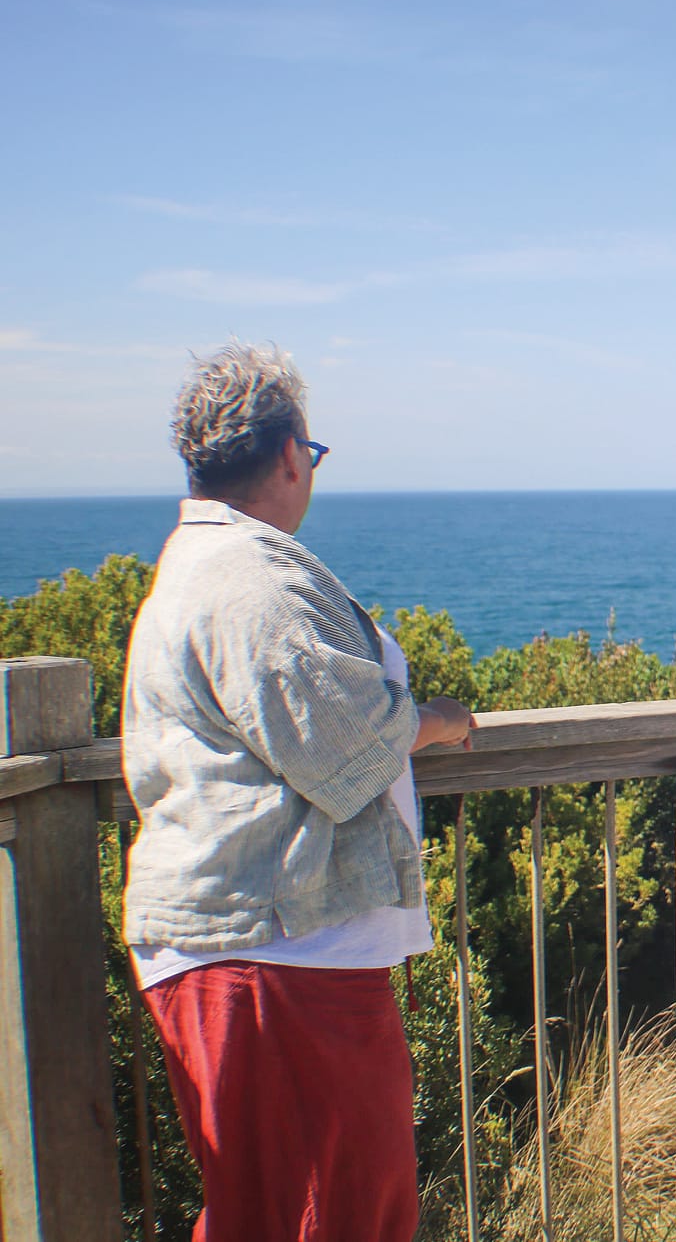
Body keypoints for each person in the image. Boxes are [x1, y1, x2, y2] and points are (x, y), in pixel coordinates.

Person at [121, 343, 477, 1242]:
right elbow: (342, 744)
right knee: (330, 1211)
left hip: (268, 942)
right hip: (274, 951)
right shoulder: (250, 575)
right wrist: (434, 718)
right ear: (288, 455)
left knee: (292, 1207)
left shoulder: (209, 562)